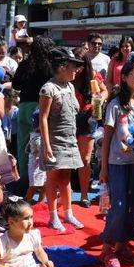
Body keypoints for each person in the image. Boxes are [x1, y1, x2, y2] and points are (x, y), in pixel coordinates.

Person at [98, 60, 134, 267]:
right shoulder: (114, 105)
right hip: (117, 163)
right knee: (119, 206)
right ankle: (107, 248)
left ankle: (121, 245)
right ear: (124, 77)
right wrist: (104, 167)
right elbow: (107, 137)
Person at [38, 48, 85, 231]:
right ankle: (53, 216)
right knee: (52, 178)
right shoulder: (48, 88)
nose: (76, 70)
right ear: (62, 67)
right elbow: (43, 118)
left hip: (69, 139)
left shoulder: (70, 87)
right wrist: (47, 145)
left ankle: (68, 213)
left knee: (66, 177)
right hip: (54, 140)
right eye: (73, 66)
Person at [12, 36, 54, 179]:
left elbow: (16, 85)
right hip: (41, 108)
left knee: (23, 145)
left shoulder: (24, 64)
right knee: (41, 145)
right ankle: (40, 181)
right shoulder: (50, 66)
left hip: (24, 107)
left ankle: (25, 178)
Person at [72, 54, 106, 207]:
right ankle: (64, 193)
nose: (77, 68)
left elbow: (105, 91)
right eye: (75, 64)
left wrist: (99, 98)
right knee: (66, 160)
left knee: (85, 160)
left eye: (80, 64)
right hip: (68, 118)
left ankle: (84, 196)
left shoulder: (92, 76)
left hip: (87, 118)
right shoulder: (68, 75)